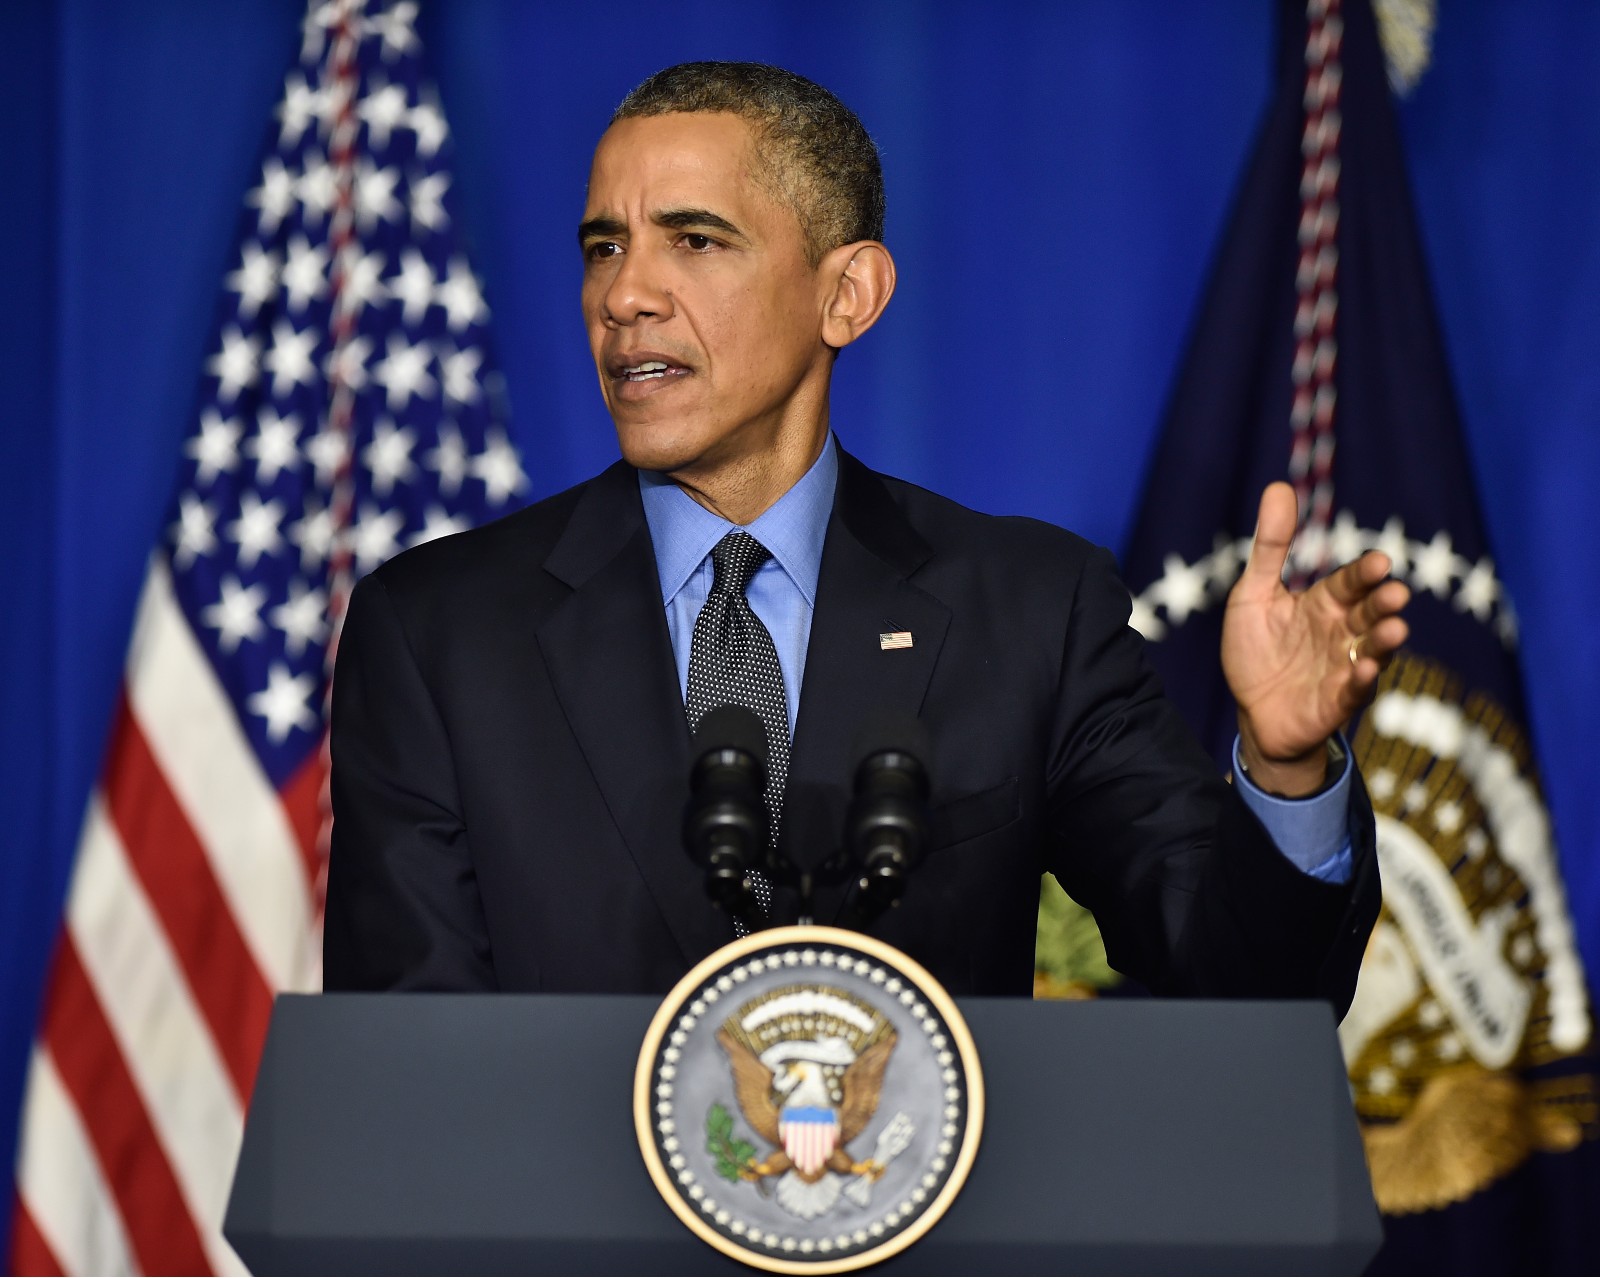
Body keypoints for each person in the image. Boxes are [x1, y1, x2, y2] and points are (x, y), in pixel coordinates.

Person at [323, 62, 1409, 1008]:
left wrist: (1284, 766)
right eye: (604, 248)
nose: (626, 295)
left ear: (848, 295)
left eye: (693, 241)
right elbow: (411, 1073)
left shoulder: (1029, 608)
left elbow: (1246, 983)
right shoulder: (438, 633)